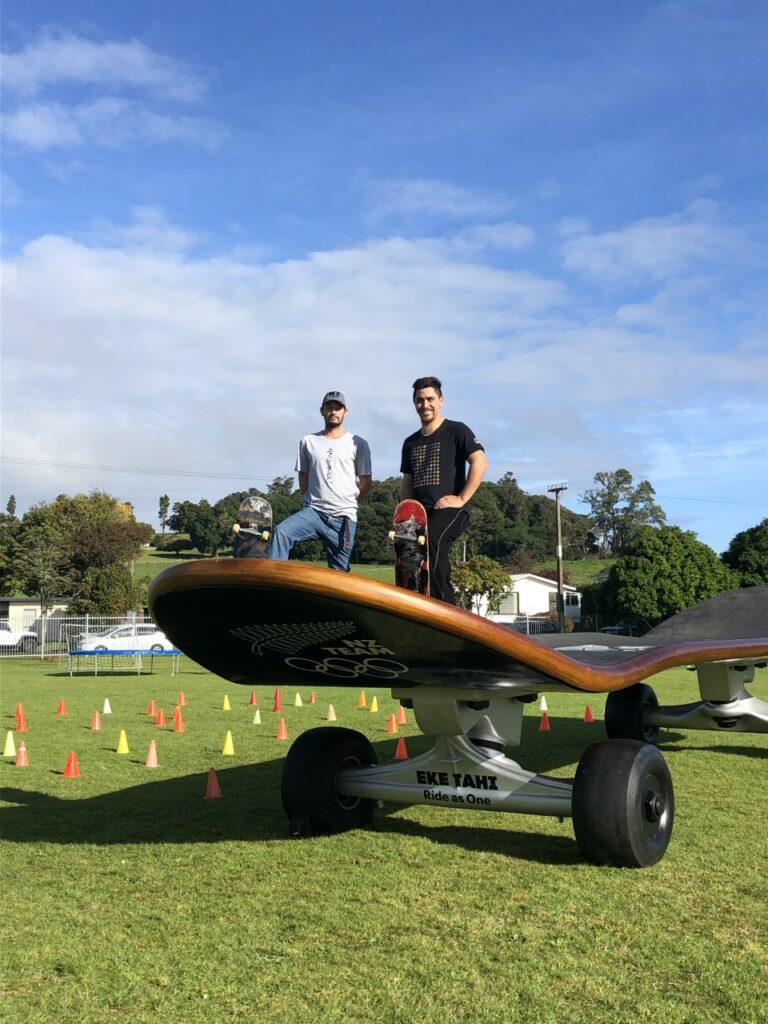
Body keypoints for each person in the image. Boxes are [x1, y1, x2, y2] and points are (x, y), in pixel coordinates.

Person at [399, 376, 488, 604]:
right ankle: (414, 602)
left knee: (432, 540)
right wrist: (403, 512)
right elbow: (407, 481)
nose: (425, 405)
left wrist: (461, 498)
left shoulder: (457, 431)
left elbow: (480, 462)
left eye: (430, 399)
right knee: (407, 555)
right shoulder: (410, 442)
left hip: (451, 509)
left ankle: (445, 606)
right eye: (420, 400)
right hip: (419, 513)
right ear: (414, 403)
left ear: (441, 400)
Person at [267, 391, 372, 571]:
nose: (333, 411)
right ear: (322, 411)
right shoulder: (308, 441)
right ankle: (273, 587)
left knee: (340, 575)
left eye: (337, 408)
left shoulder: (358, 444)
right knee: (281, 533)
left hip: (344, 518)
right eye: (329, 407)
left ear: (345, 411)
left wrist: (348, 501)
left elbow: (366, 482)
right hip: (314, 513)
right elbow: (303, 479)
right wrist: (314, 499)